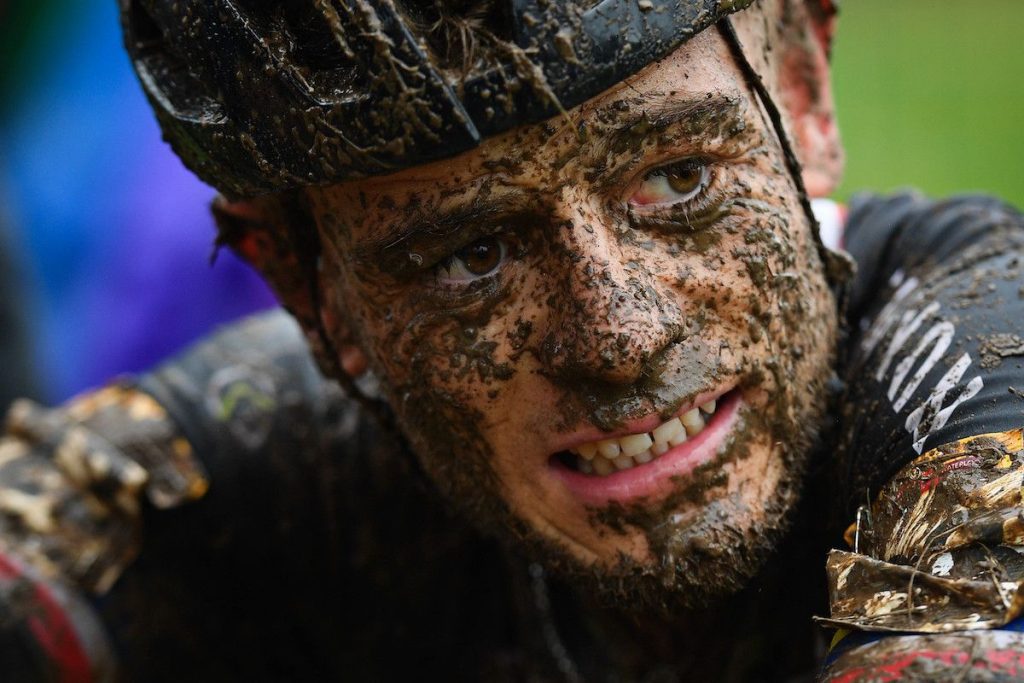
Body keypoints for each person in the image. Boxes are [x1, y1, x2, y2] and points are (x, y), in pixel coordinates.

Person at [1, 0, 1024, 680]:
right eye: (469, 253)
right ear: (309, 291)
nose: (618, 336)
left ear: (798, 88)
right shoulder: (286, 463)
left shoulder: (984, 373)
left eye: (678, 179)